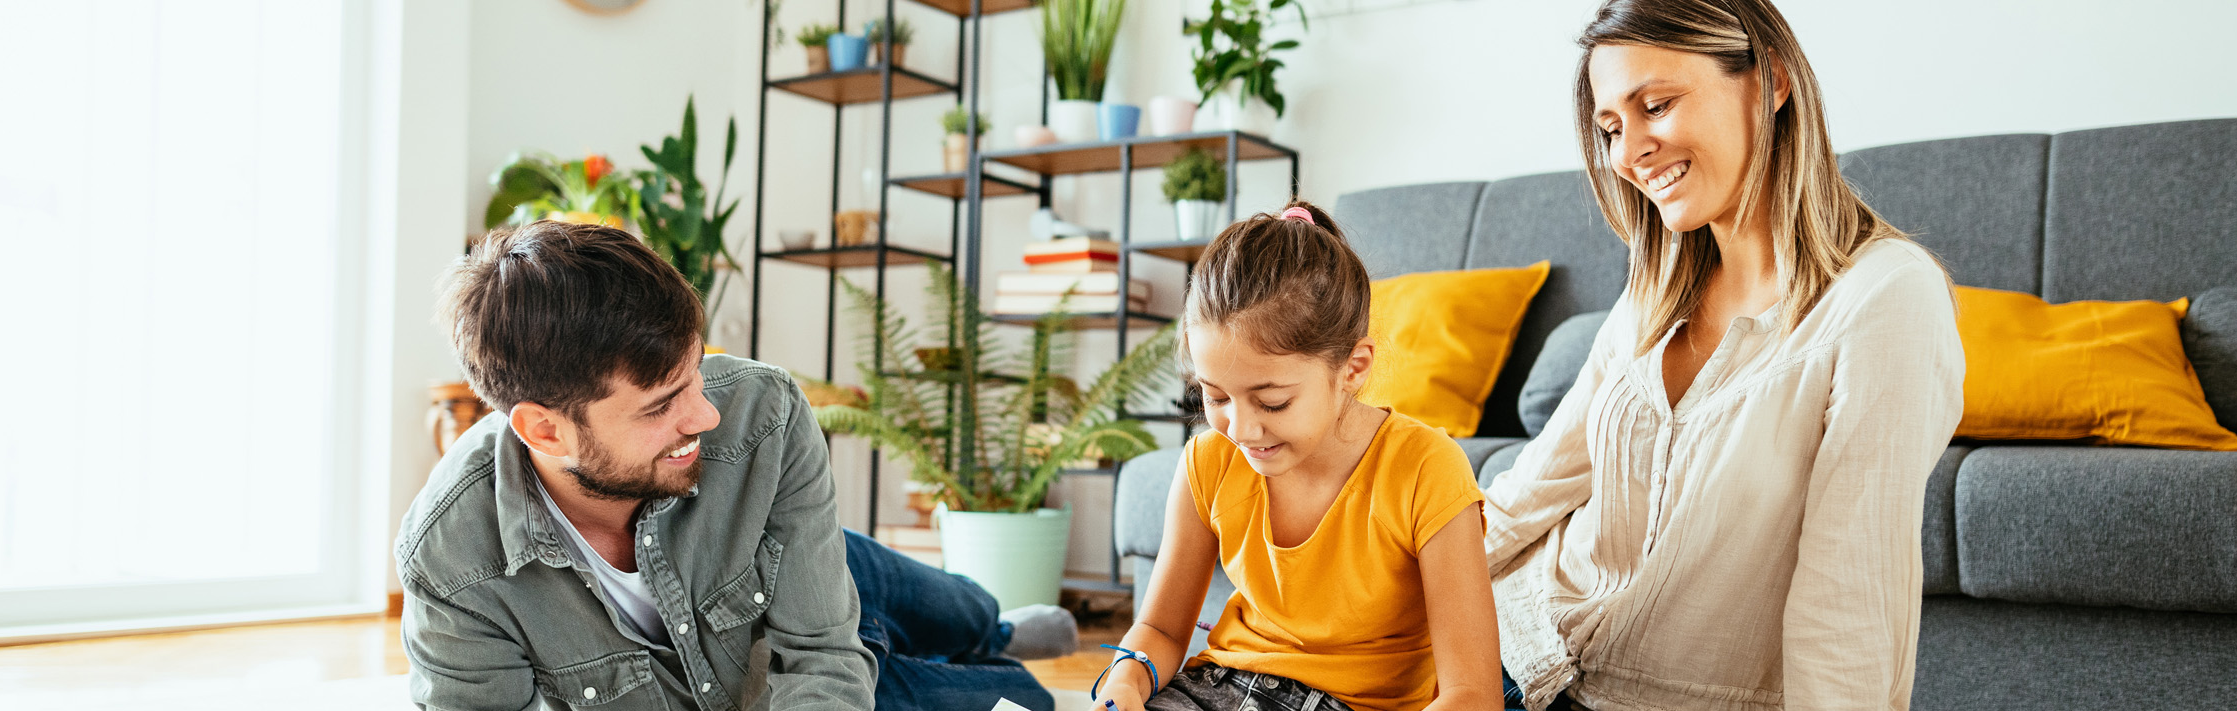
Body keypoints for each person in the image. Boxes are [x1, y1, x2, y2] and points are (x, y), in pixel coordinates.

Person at [1481, 1, 1966, 709]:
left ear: (1770, 81)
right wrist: (1369, 590)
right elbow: (1535, 489)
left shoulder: (1885, 298)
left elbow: (1849, 604)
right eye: (1612, 128)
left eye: (1657, 104)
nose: (1628, 153)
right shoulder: (1657, 285)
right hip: (1509, 645)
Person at [396, 220, 1072, 711]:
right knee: (1022, 700)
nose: (703, 415)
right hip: (761, 687)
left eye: (694, 375)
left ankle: (997, 625)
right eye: (662, 403)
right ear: (545, 428)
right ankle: (998, 651)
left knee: (955, 608)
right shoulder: (452, 560)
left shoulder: (759, 413)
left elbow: (822, 649)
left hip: (803, 584)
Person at [1090, 203, 1504, 711]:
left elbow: (1473, 695)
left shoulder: (1426, 468)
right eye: (1215, 397)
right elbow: (1159, 627)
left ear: (1353, 369)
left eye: (1272, 402)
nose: (1239, 430)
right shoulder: (1209, 460)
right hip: (1214, 689)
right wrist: (1126, 682)